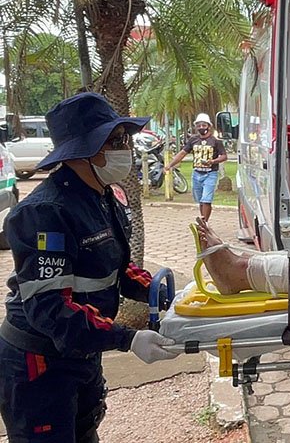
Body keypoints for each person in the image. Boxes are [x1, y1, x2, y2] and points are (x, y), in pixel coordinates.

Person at [0, 93, 179, 443]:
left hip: (81, 353)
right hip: (39, 364)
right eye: (115, 140)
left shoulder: (100, 195)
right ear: (84, 150)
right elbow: (50, 309)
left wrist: (165, 294)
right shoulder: (44, 213)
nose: (125, 147)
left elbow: (116, 268)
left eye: (124, 138)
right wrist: (127, 338)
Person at [165, 113, 227, 221]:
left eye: (204, 125)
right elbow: (182, 153)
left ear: (209, 126)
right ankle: (203, 219)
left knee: (206, 200)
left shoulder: (215, 141)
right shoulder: (193, 140)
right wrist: (170, 165)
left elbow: (224, 156)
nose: (201, 127)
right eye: (199, 125)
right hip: (197, 173)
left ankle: (204, 222)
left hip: (210, 173)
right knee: (200, 200)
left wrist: (213, 161)